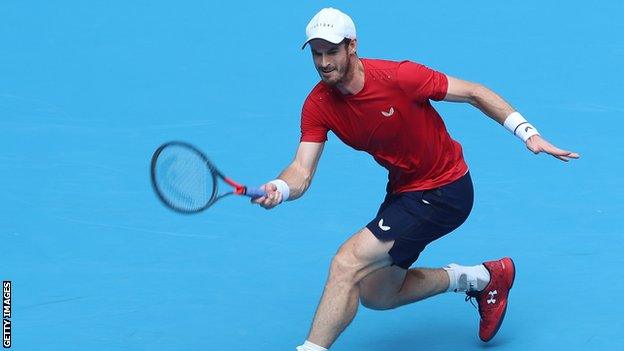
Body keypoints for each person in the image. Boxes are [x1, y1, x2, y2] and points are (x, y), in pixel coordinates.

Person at [252, 7, 579, 351]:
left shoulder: (399, 77)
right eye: (316, 54)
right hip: (404, 192)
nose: (323, 62)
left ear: (352, 46)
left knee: (346, 263)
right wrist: (282, 187)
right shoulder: (318, 104)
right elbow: (301, 170)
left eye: (331, 51)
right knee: (379, 295)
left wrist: (528, 133)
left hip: (445, 189)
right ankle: (482, 278)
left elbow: (474, 92)